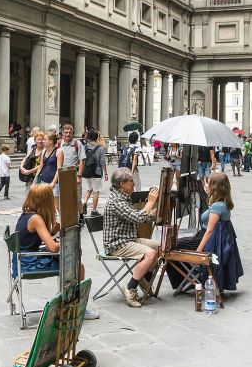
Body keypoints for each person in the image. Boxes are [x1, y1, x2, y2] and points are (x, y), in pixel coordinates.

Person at [13, 183, 99, 319]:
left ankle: (65, 300)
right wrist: (66, 241)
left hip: (20, 260)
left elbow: (34, 239)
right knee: (78, 266)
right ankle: (76, 306)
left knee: (74, 264)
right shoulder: (36, 219)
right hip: (29, 263)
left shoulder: (27, 214)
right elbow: (53, 248)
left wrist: (53, 232)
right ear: (45, 200)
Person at [103, 169, 160, 308]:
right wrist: (150, 202)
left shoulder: (124, 197)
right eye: (131, 181)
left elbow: (139, 217)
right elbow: (138, 218)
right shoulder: (116, 201)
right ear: (122, 184)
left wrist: (155, 212)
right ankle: (130, 288)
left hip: (129, 239)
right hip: (117, 244)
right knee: (150, 254)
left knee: (158, 247)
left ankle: (144, 279)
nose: (134, 183)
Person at [193, 172, 243, 294]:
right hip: (211, 238)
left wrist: (198, 251)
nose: (206, 185)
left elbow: (210, 231)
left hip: (209, 241)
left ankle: (190, 281)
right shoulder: (222, 203)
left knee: (178, 245)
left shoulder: (217, 206)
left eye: (208, 183)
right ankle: (191, 281)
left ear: (215, 187)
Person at [81, 130, 107, 215]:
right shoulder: (100, 148)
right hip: (96, 172)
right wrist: (106, 173)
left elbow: (81, 159)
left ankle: (84, 202)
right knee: (96, 191)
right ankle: (94, 210)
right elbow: (102, 162)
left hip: (86, 171)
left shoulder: (84, 147)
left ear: (88, 137)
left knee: (89, 189)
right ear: (97, 137)